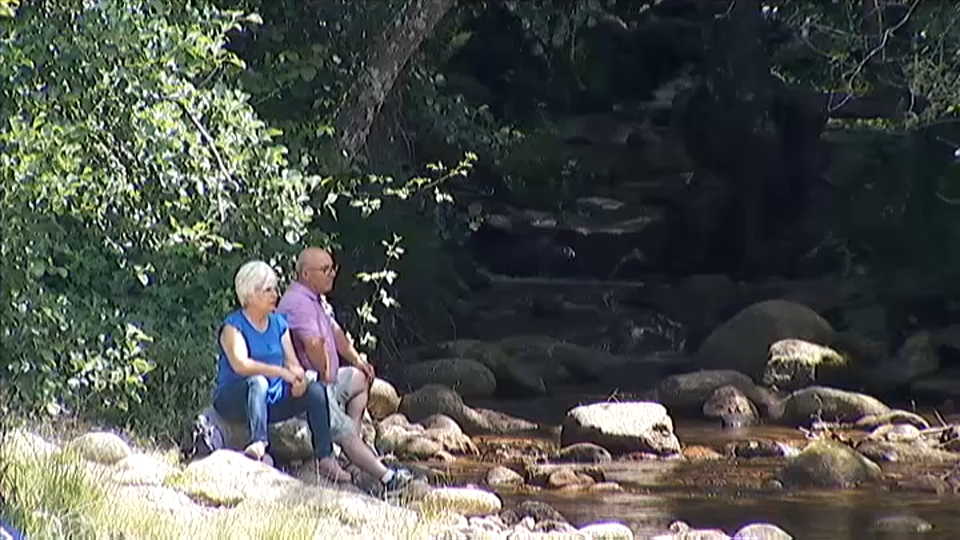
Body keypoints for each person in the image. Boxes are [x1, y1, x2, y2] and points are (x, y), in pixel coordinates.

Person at [277, 246, 413, 490]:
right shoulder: (299, 303)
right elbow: (313, 349)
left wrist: (357, 360)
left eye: (333, 268)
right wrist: (327, 373)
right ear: (306, 274)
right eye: (325, 269)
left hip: (328, 379)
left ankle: (352, 447)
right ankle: (387, 478)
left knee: (361, 379)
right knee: (340, 425)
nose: (332, 274)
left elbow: (336, 332)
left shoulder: (316, 298)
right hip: (310, 386)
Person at [212, 260, 351, 482]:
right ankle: (259, 443)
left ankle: (326, 457)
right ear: (250, 294)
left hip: (269, 399)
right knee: (258, 381)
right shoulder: (233, 326)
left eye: (275, 289)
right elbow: (241, 364)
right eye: (268, 290)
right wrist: (280, 372)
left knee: (315, 391)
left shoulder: (278, 324)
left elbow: (292, 363)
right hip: (235, 399)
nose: (275, 295)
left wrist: (298, 380)